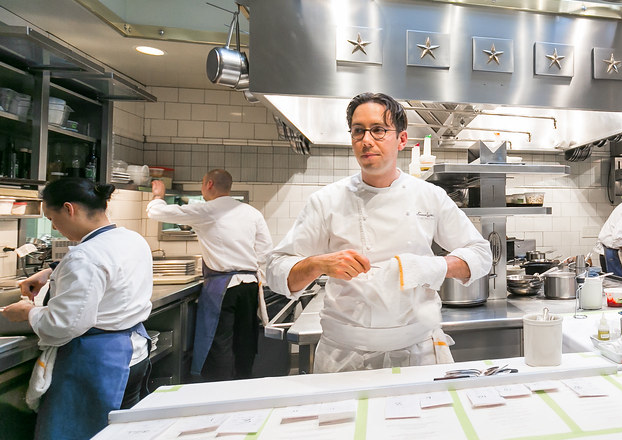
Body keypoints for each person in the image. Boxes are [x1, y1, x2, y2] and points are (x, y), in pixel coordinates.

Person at [265, 92, 491, 373]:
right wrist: (319, 264)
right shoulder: (327, 201)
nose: (366, 140)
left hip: (418, 353)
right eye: (358, 131)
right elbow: (275, 271)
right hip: (345, 357)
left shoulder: (429, 196)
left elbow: (481, 255)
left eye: (378, 130)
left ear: (402, 139)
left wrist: (428, 267)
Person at [1, 179, 153, 440]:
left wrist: (28, 313)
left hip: (97, 364)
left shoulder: (85, 256)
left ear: (69, 209)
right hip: (131, 354)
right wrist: (52, 272)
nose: (55, 228)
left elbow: (65, 323)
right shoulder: (130, 238)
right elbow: (105, 268)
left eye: (53, 219)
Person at [147, 170, 271, 381]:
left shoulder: (206, 210)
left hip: (224, 287)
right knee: (245, 342)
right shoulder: (252, 213)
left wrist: (158, 197)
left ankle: (218, 391)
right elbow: (266, 251)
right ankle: (244, 385)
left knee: (219, 342)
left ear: (209, 184)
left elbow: (159, 214)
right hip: (250, 286)